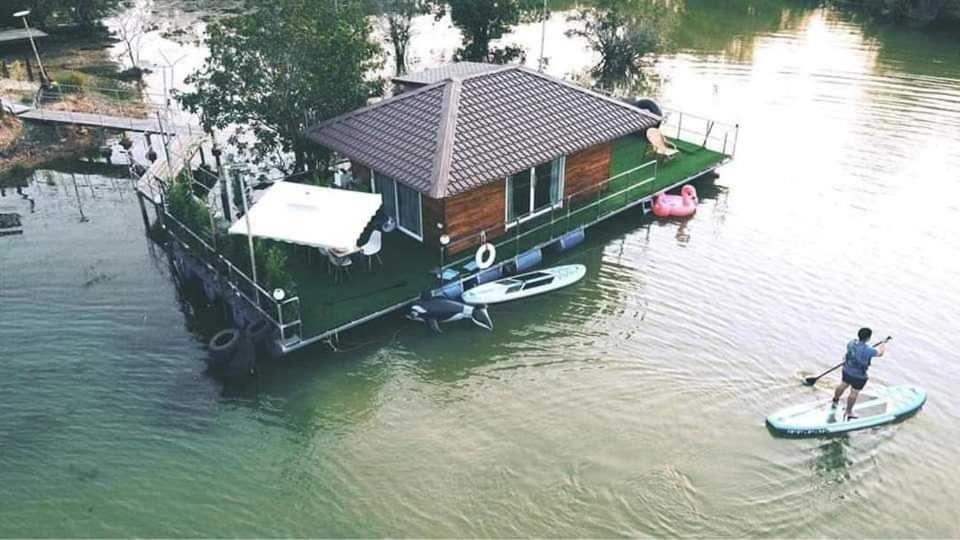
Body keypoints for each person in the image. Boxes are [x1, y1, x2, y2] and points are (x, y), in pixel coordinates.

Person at [833, 328, 888, 419]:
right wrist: (883, 344)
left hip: (847, 370)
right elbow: (880, 353)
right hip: (859, 376)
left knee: (843, 384)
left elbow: (851, 352)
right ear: (868, 338)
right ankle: (849, 412)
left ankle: (835, 400)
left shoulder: (851, 343)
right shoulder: (869, 350)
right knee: (854, 393)